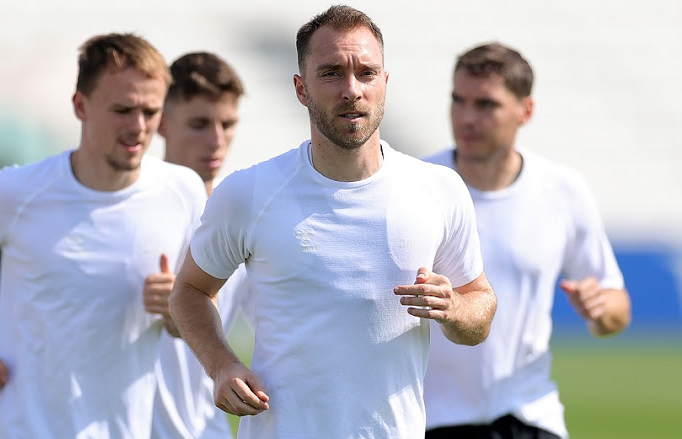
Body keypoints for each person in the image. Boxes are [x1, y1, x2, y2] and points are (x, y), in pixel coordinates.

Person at [169, 5, 498, 439]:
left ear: (385, 82)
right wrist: (221, 364)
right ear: (301, 89)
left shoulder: (438, 189)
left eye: (366, 72)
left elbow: (480, 305)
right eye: (330, 73)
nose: (351, 90)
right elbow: (190, 291)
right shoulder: (249, 192)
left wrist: (455, 308)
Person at [0, 33, 208, 438]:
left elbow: (197, 310)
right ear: (80, 105)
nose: (138, 127)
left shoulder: (183, 191)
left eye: (150, 112)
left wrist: (175, 309)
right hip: (20, 428)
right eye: (122, 109)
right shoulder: (16, 191)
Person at [422, 42, 631, 439]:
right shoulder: (418, 184)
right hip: (433, 420)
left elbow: (617, 305)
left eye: (486, 105)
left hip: (531, 417)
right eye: (458, 100)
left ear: (526, 111)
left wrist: (601, 309)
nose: (466, 118)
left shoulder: (561, 190)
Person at [144, 51, 251, 439]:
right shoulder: (128, 213)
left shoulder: (243, 221)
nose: (217, 140)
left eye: (228, 123)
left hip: (208, 429)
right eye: (200, 124)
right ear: (161, 122)